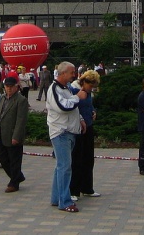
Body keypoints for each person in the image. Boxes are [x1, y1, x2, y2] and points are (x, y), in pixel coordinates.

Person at [46, 61, 88, 213]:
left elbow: (73, 110)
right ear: (62, 73)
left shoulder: (66, 89)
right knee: (65, 167)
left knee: (61, 167)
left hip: (69, 132)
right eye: (71, 72)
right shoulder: (54, 89)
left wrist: (81, 119)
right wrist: (78, 97)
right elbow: (63, 107)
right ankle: (64, 201)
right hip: (61, 132)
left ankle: (56, 198)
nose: (74, 75)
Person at [0, 74, 29, 192]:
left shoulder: (21, 100)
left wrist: (16, 136)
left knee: (14, 160)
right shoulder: (2, 98)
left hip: (13, 134)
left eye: (11, 86)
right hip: (2, 133)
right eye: (7, 86)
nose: (9, 88)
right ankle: (17, 176)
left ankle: (14, 183)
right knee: (3, 158)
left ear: (16, 87)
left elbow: (21, 120)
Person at [70, 70, 101, 200]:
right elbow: (73, 108)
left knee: (88, 158)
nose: (91, 89)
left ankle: (87, 188)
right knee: (77, 160)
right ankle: (74, 191)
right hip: (78, 129)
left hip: (88, 127)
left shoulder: (88, 93)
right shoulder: (74, 90)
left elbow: (90, 105)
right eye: (91, 85)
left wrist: (93, 111)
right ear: (84, 81)